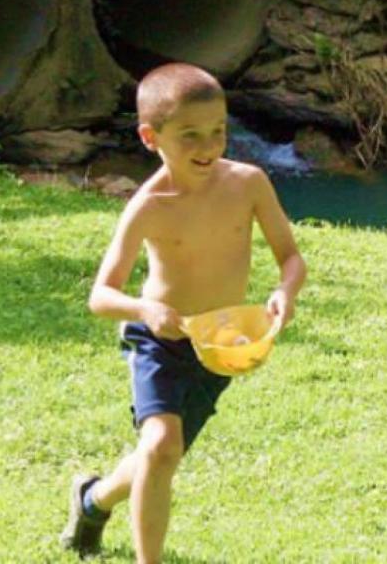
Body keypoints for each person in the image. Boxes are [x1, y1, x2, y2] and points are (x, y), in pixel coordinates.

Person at [60, 63, 306, 562]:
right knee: (162, 446)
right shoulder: (148, 207)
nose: (209, 147)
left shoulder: (249, 183)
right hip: (160, 341)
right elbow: (101, 296)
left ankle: (93, 500)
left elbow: (291, 257)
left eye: (218, 131)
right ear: (151, 137)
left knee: (162, 454)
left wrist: (285, 291)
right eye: (190, 135)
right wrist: (145, 308)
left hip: (222, 345)